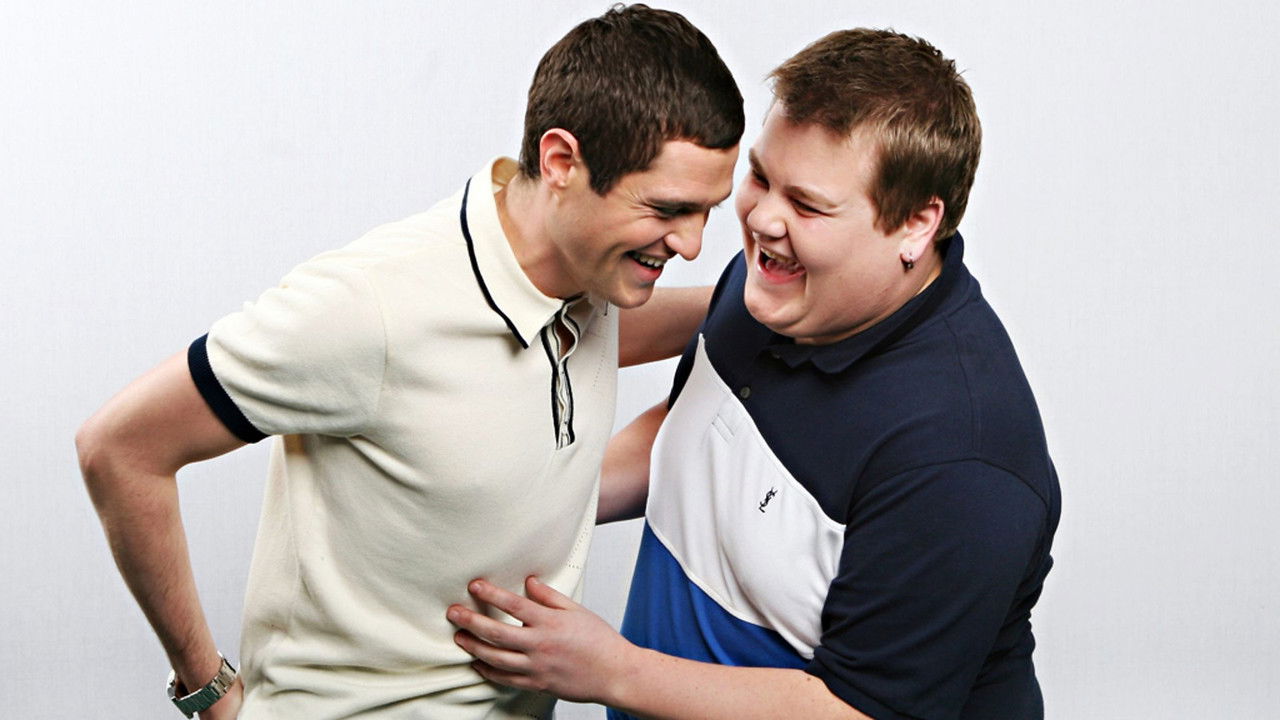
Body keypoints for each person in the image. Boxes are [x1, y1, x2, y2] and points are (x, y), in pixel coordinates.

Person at [75, 5, 742, 719]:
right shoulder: (372, 307)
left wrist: (759, 304)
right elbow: (120, 449)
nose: (693, 244)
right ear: (560, 163)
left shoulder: (587, 281)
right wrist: (207, 689)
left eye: (709, 210)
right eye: (667, 209)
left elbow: (585, 342)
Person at [447, 28, 1061, 720]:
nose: (761, 220)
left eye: (807, 205)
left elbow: (863, 712)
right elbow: (698, 433)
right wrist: (537, 504)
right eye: (762, 177)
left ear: (917, 225)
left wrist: (612, 671)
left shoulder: (962, 461)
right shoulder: (784, 287)